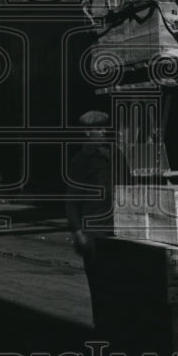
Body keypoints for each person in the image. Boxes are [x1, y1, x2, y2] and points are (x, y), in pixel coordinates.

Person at [65, 110, 128, 334]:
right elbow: (72, 201)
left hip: (120, 230)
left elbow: (129, 186)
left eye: (104, 128)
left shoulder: (117, 154)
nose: (103, 132)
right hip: (95, 233)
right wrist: (78, 231)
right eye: (98, 129)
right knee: (100, 285)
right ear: (87, 132)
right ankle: (102, 329)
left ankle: (120, 328)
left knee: (120, 283)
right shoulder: (81, 161)